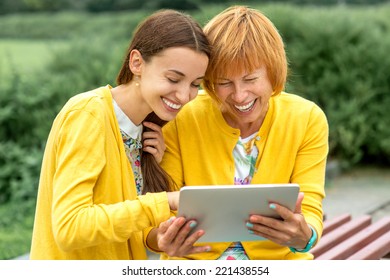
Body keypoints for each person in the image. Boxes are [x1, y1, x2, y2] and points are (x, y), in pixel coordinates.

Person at [30, 9, 211, 260]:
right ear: (136, 63)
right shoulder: (89, 113)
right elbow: (70, 228)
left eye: (194, 84)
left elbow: (125, 225)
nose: (184, 96)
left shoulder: (148, 131)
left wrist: (162, 238)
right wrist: (165, 201)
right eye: (173, 79)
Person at [153, 6, 329, 260]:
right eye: (224, 83)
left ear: (273, 72)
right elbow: (160, 212)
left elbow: (310, 209)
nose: (239, 96)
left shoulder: (306, 118)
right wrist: (162, 239)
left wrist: (305, 236)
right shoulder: (182, 117)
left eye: (250, 79)